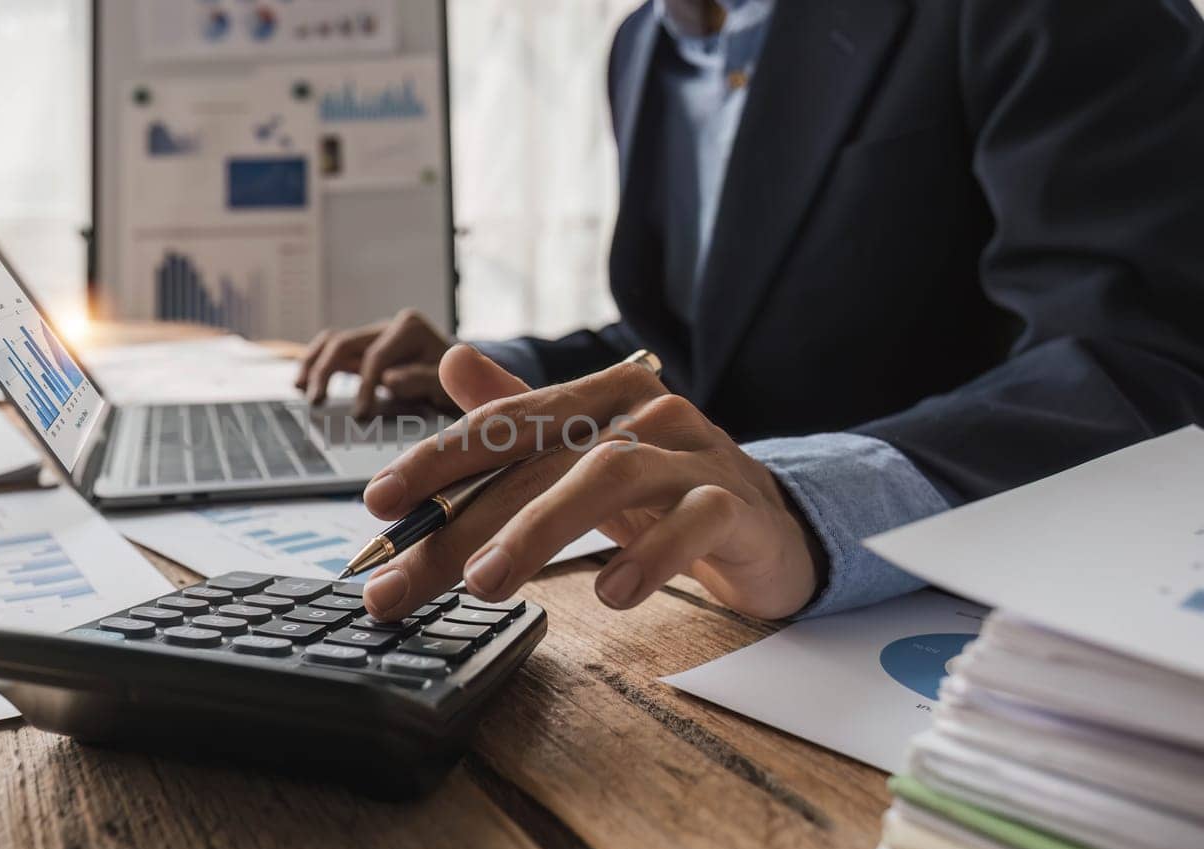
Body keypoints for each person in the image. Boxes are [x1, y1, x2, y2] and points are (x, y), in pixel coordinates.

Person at [296, 0, 1204, 623]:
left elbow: (1140, 362)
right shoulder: (645, 43)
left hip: (987, 629)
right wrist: (513, 368)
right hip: (723, 616)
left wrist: (806, 499)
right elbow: (701, 343)